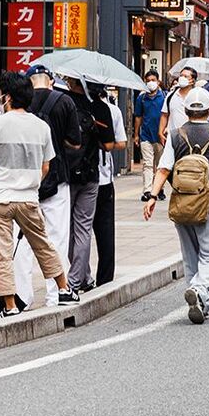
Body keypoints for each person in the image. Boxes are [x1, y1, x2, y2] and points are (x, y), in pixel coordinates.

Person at [0, 73, 80, 319]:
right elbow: (46, 166)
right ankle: (63, 290)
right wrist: (30, 185)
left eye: (1, 94)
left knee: (1, 254)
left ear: (7, 97)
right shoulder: (41, 126)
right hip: (29, 198)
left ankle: (10, 305)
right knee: (43, 244)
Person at [144, 85, 209, 324]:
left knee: (191, 257)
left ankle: (203, 303)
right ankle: (200, 289)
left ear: (185, 109)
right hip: (208, 204)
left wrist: (152, 196)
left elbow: (163, 169)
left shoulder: (175, 136)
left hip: (181, 205)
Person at [13, 65, 84, 312]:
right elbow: (75, 142)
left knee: (20, 241)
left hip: (23, 182)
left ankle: (22, 296)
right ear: (50, 82)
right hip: (57, 178)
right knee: (56, 238)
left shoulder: (20, 105)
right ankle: (56, 294)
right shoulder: (64, 102)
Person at [65, 75, 112, 292]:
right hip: (91, 174)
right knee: (83, 229)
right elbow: (109, 144)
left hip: (66, 175)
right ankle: (79, 280)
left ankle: (77, 278)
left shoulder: (63, 102)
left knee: (68, 229)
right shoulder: (101, 108)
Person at [93, 88, 127, 286]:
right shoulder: (111, 110)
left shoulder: (72, 105)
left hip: (78, 178)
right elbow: (121, 143)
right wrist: (106, 142)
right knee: (105, 231)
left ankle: (79, 277)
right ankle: (105, 278)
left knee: (78, 231)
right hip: (104, 179)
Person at [134, 70, 166, 201]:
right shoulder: (141, 98)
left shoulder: (164, 97)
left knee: (160, 165)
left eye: (153, 80)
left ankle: (159, 189)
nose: (150, 83)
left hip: (161, 136)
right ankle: (147, 190)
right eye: (148, 81)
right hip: (145, 135)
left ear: (158, 81)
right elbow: (138, 117)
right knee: (147, 164)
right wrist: (136, 134)